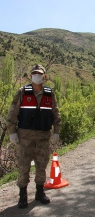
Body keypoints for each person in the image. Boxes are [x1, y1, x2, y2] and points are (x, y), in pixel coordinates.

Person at [6, 64, 61, 208]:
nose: (37, 76)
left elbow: (56, 113)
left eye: (40, 73)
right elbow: (12, 113)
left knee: (41, 165)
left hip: (43, 137)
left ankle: (40, 192)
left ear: (45, 76)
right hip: (25, 138)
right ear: (31, 76)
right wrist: (12, 132)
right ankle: (23, 195)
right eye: (34, 73)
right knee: (24, 166)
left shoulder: (49, 94)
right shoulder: (23, 92)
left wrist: (57, 131)